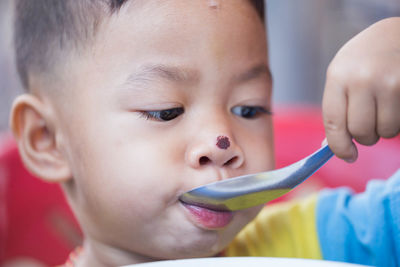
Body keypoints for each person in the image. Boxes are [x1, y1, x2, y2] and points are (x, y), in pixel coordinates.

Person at [9, 0, 400, 266]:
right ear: (46, 139)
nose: (221, 143)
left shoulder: (318, 241)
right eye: (166, 111)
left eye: (249, 109)